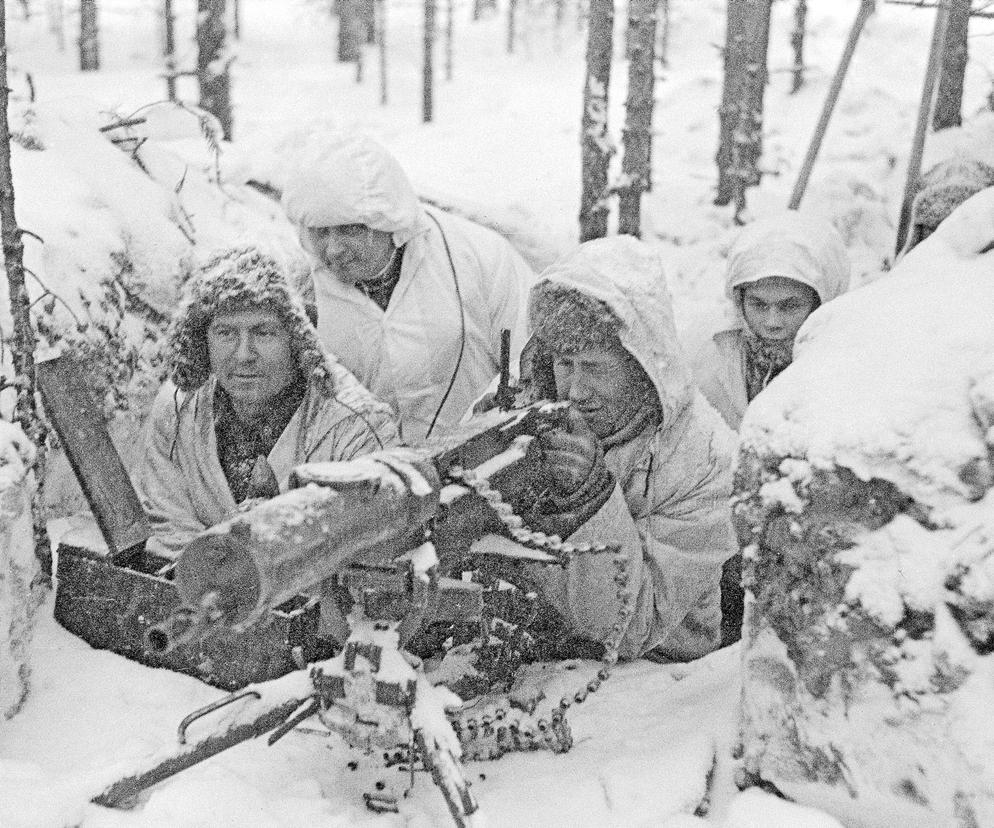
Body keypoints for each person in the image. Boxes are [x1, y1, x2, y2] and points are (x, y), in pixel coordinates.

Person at [518, 236, 738, 661]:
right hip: (538, 653)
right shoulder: (529, 406)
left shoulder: (703, 459)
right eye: (565, 364)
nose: (576, 391)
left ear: (641, 367)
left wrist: (591, 498)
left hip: (657, 674)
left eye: (595, 368)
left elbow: (635, 626)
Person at [136, 246, 400, 557]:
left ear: (300, 338)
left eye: (264, 333)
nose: (243, 355)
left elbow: (371, 554)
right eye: (225, 332)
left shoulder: (355, 428)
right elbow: (165, 527)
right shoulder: (179, 406)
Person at [281, 133, 536, 444]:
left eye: (350, 230)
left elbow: (530, 356)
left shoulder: (479, 256)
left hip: (481, 457)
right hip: (366, 477)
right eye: (320, 232)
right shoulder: (300, 289)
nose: (334, 249)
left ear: (389, 222)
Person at [689, 211, 850, 432]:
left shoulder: (849, 366)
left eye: (790, 306)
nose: (772, 323)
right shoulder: (704, 352)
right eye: (758, 304)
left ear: (821, 303)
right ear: (739, 300)